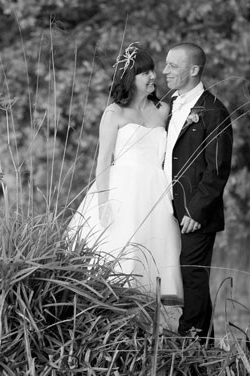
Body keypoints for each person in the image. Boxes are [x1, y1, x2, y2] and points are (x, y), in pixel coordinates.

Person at [69, 43, 183, 309]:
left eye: (153, 71)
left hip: (155, 191)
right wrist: (103, 203)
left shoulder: (164, 110)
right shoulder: (114, 112)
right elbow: (103, 161)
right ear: (131, 79)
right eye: (146, 73)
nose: (154, 76)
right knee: (119, 254)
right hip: (122, 192)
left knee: (155, 258)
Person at [162, 42, 233, 345]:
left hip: (194, 214)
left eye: (173, 66)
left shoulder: (214, 111)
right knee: (188, 279)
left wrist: (195, 211)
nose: (164, 71)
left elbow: (216, 169)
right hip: (166, 208)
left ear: (193, 70)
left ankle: (189, 345)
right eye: (165, 64)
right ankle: (205, 349)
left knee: (192, 277)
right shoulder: (169, 104)